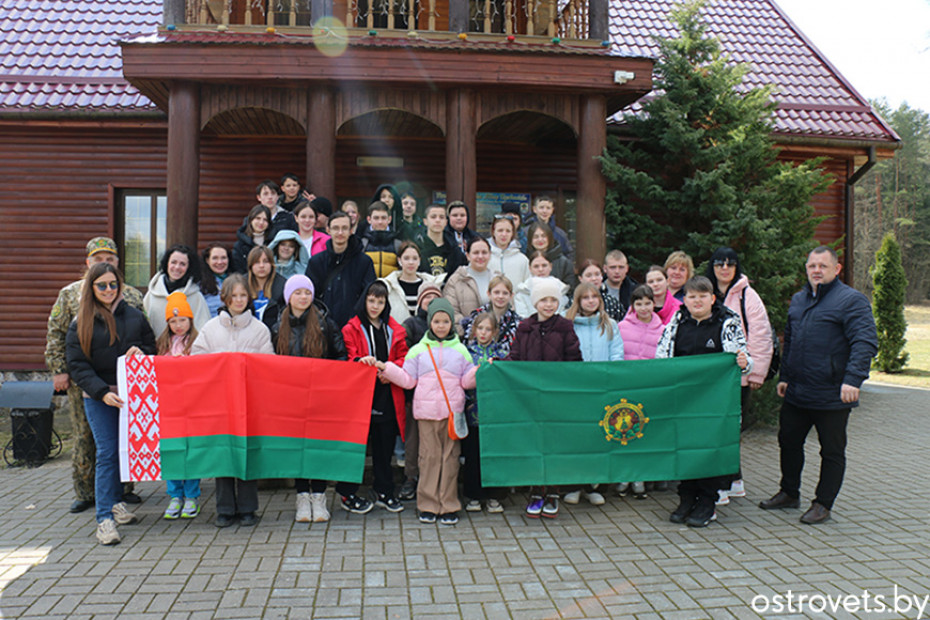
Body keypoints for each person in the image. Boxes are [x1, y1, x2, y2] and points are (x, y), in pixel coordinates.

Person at [759, 246, 877, 525]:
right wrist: (785, 376)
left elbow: (865, 341)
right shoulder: (799, 300)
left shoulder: (852, 301)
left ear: (836, 269)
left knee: (831, 451)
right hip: (798, 391)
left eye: (823, 266)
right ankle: (789, 493)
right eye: (812, 265)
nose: (816, 270)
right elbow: (791, 341)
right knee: (788, 442)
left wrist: (853, 379)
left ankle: (823, 503)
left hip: (833, 393)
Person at [46, 237, 146, 514]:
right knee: (85, 436)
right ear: (88, 263)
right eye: (98, 258)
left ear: (116, 263)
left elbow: (144, 334)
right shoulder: (70, 295)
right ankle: (86, 490)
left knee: (123, 437)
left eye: (110, 258)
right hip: (85, 382)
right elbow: (56, 334)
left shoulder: (132, 296)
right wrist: (59, 371)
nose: (104, 263)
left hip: (125, 382)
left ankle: (123, 490)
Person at [65, 262, 156, 545]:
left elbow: (151, 347)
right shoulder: (81, 321)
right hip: (100, 396)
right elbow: (77, 365)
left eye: (112, 284)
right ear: (91, 288)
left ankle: (116, 502)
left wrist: (140, 351)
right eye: (101, 285)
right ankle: (104, 519)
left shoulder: (134, 315)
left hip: (132, 396)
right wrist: (101, 392)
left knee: (123, 451)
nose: (108, 290)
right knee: (106, 453)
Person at [271, 275, 370, 521]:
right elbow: (272, 362)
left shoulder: (326, 323)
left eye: (307, 292)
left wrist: (327, 379)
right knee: (299, 449)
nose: (303, 297)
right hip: (291, 398)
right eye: (298, 293)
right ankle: (302, 496)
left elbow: (341, 356)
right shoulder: (277, 326)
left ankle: (319, 496)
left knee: (319, 446)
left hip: (321, 397)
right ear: (288, 296)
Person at [656, 276, 751, 528]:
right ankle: (686, 498)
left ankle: (707, 502)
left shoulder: (727, 323)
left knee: (709, 451)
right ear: (684, 300)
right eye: (691, 296)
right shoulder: (676, 323)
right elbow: (661, 357)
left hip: (714, 403)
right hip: (683, 402)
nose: (697, 301)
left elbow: (744, 359)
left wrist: (744, 363)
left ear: (712, 298)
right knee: (685, 449)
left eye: (702, 296)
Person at [378, 298, 478, 526]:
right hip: (425, 415)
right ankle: (428, 504)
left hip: (452, 414)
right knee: (429, 459)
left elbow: (466, 381)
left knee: (450, 459)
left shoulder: (461, 350)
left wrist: (479, 371)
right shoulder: (417, 351)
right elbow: (408, 380)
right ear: (430, 322)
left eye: (445, 321)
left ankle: (449, 504)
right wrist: (388, 368)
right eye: (436, 321)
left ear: (451, 323)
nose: (441, 325)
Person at [192, 274, 274, 527]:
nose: (238, 300)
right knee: (223, 455)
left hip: (249, 402)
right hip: (220, 403)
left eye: (242, 295)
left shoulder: (259, 329)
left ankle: (248, 508)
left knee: (247, 454)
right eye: (233, 296)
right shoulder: (210, 328)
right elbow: (197, 359)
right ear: (225, 299)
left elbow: (268, 364)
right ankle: (225, 509)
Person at [507, 279, 583, 518]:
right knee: (534, 444)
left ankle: (553, 491)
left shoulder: (565, 327)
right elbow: (515, 358)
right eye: (543, 300)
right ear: (535, 302)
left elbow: (574, 361)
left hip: (556, 398)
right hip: (530, 399)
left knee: (554, 445)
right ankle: (536, 490)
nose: (548, 305)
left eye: (553, 300)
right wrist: (496, 366)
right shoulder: (525, 328)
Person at [705, 247, 774, 503]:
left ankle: (726, 482)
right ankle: (733, 478)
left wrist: (756, 373)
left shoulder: (748, 296)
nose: (724, 268)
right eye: (719, 263)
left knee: (731, 429)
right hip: (709, 378)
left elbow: (760, 335)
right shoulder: (705, 291)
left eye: (730, 263)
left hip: (738, 376)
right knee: (714, 428)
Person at [342, 281, 409, 513]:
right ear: (364, 300)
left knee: (384, 447)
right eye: (371, 300)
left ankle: (384, 491)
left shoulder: (395, 329)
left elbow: (404, 359)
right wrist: (362, 364)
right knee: (355, 447)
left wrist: (389, 371)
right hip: (361, 397)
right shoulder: (351, 328)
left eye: (380, 301)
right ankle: (347, 493)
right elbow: (349, 358)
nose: (375, 306)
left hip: (387, 393)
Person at [562, 282, 623, 507]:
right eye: (585, 298)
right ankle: (574, 485)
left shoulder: (609, 325)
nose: (590, 301)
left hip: (601, 390)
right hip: (576, 391)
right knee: (577, 439)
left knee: (599, 438)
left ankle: (595, 485)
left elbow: (616, 353)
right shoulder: (567, 324)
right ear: (577, 301)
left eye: (594, 297)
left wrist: (610, 379)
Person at [155, 292, 202, 520]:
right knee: (172, 450)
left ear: (190, 320)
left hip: (192, 406)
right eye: (173, 321)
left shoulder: (197, 342)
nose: (178, 325)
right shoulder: (163, 343)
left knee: (191, 451)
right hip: (169, 407)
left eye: (182, 319)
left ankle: (192, 495)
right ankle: (175, 495)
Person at [617, 284, 665, 499]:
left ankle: (640, 477)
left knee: (644, 434)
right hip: (626, 388)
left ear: (654, 304)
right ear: (632, 305)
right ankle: (623, 476)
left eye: (648, 303)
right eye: (639, 303)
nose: (644, 308)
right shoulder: (621, 327)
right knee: (624, 432)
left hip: (650, 388)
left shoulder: (663, 329)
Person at [397, 281, 444, 502]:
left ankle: (434, 479)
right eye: (427, 297)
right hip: (416, 394)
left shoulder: (446, 326)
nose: (430, 301)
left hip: (442, 395)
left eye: (435, 297)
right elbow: (403, 354)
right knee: (413, 439)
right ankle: (411, 478)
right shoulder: (411, 324)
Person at [462, 312, 508, 514]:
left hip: (496, 415)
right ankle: (473, 495)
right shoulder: (465, 353)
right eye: (480, 328)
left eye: (488, 329)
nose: (483, 332)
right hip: (473, 413)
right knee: (473, 456)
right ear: (474, 330)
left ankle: (494, 496)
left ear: (495, 332)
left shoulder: (502, 354)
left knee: (495, 456)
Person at [306, 211, 377, 327]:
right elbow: (310, 295)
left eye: (344, 228)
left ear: (351, 231)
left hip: (355, 327)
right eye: (335, 228)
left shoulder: (364, 262)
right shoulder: (316, 262)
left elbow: (370, 295)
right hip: (324, 326)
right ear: (328, 230)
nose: (340, 232)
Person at [144, 244, 211, 337]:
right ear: (167, 263)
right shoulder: (152, 294)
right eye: (173, 262)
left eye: (182, 264)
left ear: (189, 267)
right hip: (156, 349)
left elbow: (203, 330)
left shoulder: (196, 297)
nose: (177, 267)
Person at [381, 241, 443, 325]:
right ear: (399, 260)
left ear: (419, 261)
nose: (411, 262)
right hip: (396, 335)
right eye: (406, 258)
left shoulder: (432, 285)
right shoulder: (388, 285)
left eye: (415, 258)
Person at [442, 237, 495, 334]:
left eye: (484, 252)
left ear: (490, 255)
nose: (480, 256)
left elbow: (508, 309)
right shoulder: (456, 280)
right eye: (475, 253)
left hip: (496, 339)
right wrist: (473, 330)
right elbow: (451, 313)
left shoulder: (497, 279)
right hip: (466, 338)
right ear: (468, 256)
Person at [461, 275, 521, 356]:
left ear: (511, 295)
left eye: (505, 293)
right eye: (496, 292)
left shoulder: (517, 322)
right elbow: (468, 341)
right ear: (489, 294)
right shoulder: (477, 316)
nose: (500, 296)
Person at [415, 203, 465, 280]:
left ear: (446, 222)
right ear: (425, 221)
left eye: (441, 217)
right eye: (433, 217)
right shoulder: (416, 247)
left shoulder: (454, 249)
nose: (437, 220)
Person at [512, 251, 569, 318]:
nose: (540, 269)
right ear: (530, 268)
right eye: (536, 266)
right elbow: (522, 317)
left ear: (550, 266)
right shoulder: (522, 291)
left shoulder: (561, 289)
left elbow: (562, 315)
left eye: (544, 265)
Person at [526, 221, 576, 292]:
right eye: (536, 237)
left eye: (543, 236)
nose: (540, 240)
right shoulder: (524, 259)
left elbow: (569, 289)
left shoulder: (564, 262)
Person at [246, 246, 286, 329]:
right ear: (250, 265)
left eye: (265, 261)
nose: (261, 266)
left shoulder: (283, 286)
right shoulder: (241, 284)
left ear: (272, 264)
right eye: (257, 262)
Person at [522, 196, 573, 261]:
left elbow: (568, 254)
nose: (544, 211)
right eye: (541, 207)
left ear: (552, 210)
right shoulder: (525, 232)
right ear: (534, 209)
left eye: (548, 208)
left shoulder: (560, 233)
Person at [360, 201, 403, 277]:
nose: (380, 222)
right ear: (369, 219)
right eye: (376, 218)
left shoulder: (398, 244)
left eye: (383, 218)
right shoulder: (361, 244)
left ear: (389, 219)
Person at [488, 214, 530, 288]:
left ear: (512, 233)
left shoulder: (522, 260)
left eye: (508, 231)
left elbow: (527, 287)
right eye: (500, 230)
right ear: (493, 232)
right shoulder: (485, 258)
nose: (504, 234)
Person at [231, 204, 272, 274]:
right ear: (250, 220)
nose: (261, 222)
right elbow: (238, 270)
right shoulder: (239, 245)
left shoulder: (273, 241)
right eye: (258, 218)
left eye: (265, 220)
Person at [201, 244, 230, 318]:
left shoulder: (236, 281)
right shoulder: (200, 284)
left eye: (223, 258)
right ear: (207, 260)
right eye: (215, 258)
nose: (220, 262)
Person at [603, 250, 637, 314]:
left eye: (621, 267)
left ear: (627, 268)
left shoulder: (635, 291)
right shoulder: (597, 290)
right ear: (605, 268)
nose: (617, 271)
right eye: (613, 267)